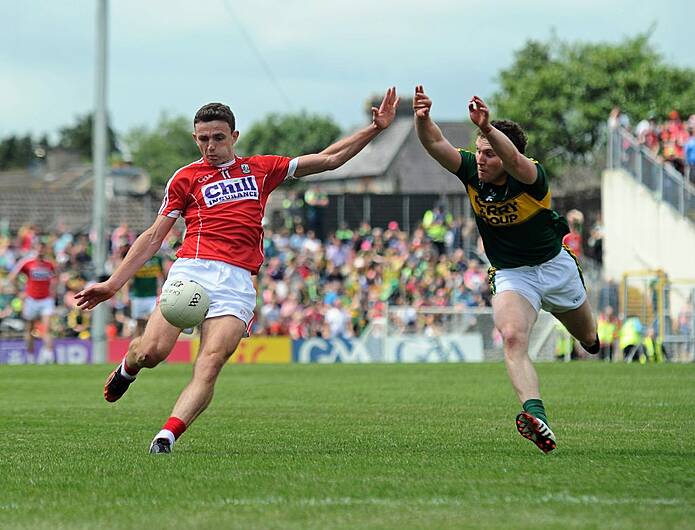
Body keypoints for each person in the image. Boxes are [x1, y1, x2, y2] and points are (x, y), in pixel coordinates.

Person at [76, 87, 400, 454]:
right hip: (192, 271)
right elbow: (153, 237)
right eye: (202, 139)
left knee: (210, 363)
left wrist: (374, 129)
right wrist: (113, 284)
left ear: (234, 136)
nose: (209, 146)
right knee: (152, 352)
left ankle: (166, 436)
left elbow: (328, 159)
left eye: (217, 138)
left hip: (236, 282)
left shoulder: (261, 169)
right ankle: (127, 369)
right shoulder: (186, 178)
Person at [413, 86, 599, 453]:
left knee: (589, 340)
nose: (480, 159)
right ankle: (536, 416)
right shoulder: (472, 172)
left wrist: (489, 128)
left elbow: (513, 160)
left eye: (488, 153)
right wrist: (423, 119)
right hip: (513, 273)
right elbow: (436, 145)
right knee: (513, 337)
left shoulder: (530, 177)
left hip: (555, 267)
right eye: (478, 151)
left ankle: (590, 339)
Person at [8, 241, 57, 360]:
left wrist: (53, 291)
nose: (40, 251)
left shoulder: (49, 264)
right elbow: (12, 276)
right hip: (31, 300)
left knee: (47, 329)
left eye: (42, 249)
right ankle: (30, 356)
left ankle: (49, 356)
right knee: (29, 329)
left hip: (46, 300)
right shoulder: (27, 262)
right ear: (34, 249)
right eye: (38, 248)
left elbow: (56, 277)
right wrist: (19, 292)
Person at [126, 250, 165, 337]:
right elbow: (129, 279)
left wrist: (161, 290)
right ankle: (136, 345)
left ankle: (147, 343)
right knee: (139, 323)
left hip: (153, 295)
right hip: (138, 296)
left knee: (152, 322)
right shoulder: (137, 259)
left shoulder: (158, 259)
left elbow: (161, 276)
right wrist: (126, 295)